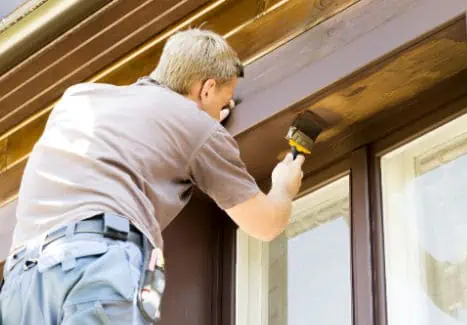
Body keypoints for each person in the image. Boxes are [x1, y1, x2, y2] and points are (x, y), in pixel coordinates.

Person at [0, 28, 305, 324]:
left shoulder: (79, 98)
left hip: (23, 280)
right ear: (207, 88)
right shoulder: (197, 128)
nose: (222, 110)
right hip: (96, 264)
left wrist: (201, 118)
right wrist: (283, 188)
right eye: (224, 100)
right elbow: (265, 224)